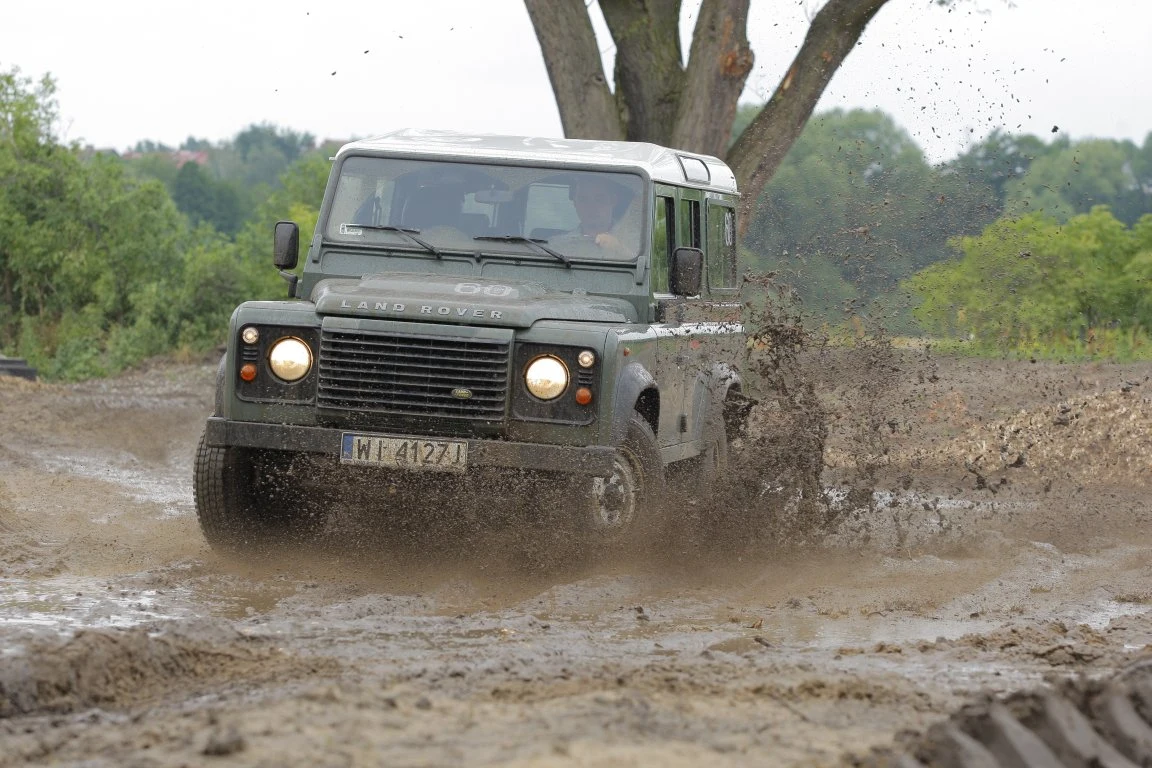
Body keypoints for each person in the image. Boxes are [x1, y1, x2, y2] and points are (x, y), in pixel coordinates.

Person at [556, 176, 634, 259]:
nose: (591, 207)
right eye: (583, 199)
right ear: (575, 203)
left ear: (613, 200)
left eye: (599, 199)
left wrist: (619, 249)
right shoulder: (558, 246)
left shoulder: (635, 241)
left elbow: (640, 264)